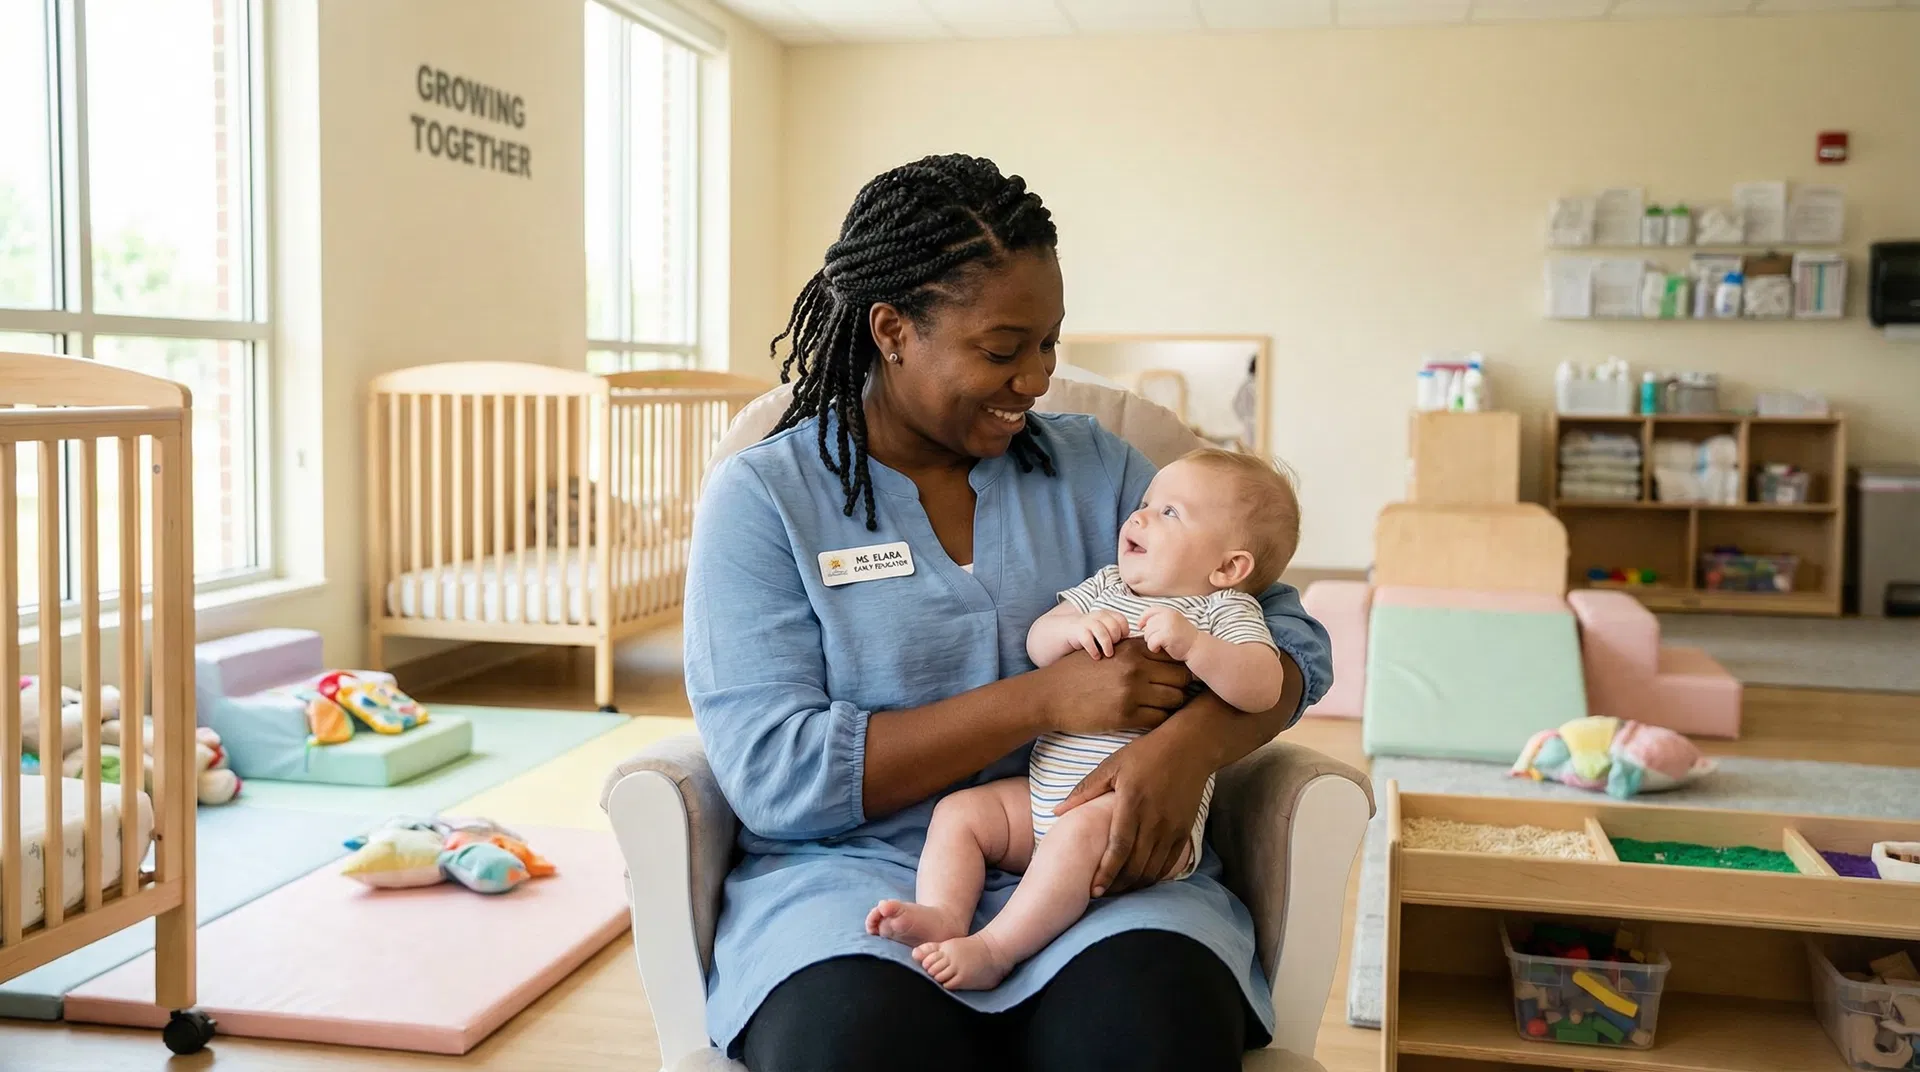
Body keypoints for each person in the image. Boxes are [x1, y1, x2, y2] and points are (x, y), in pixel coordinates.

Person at [683, 153, 1331, 1072]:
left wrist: (1184, 751)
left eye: (1049, 344)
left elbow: (1286, 632)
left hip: (1110, 863)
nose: (1036, 378)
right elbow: (773, 772)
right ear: (892, 329)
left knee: (1146, 1037)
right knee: (859, 1047)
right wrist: (1043, 702)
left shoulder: (1099, 469)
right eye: (1002, 349)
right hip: (853, 881)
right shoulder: (767, 500)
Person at [867, 448, 1302, 992]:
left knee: (1076, 833)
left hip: (1134, 823)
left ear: (1227, 568)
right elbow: (1038, 640)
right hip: (1045, 798)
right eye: (1145, 504)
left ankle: (997, 948)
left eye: (1171, 513)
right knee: (963, 813)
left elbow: (1264, 687)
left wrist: (1197, 648)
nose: (1138, 517)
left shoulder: (1222, 612)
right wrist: (1074, 631)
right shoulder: (1107, 587)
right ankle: (943, 913)